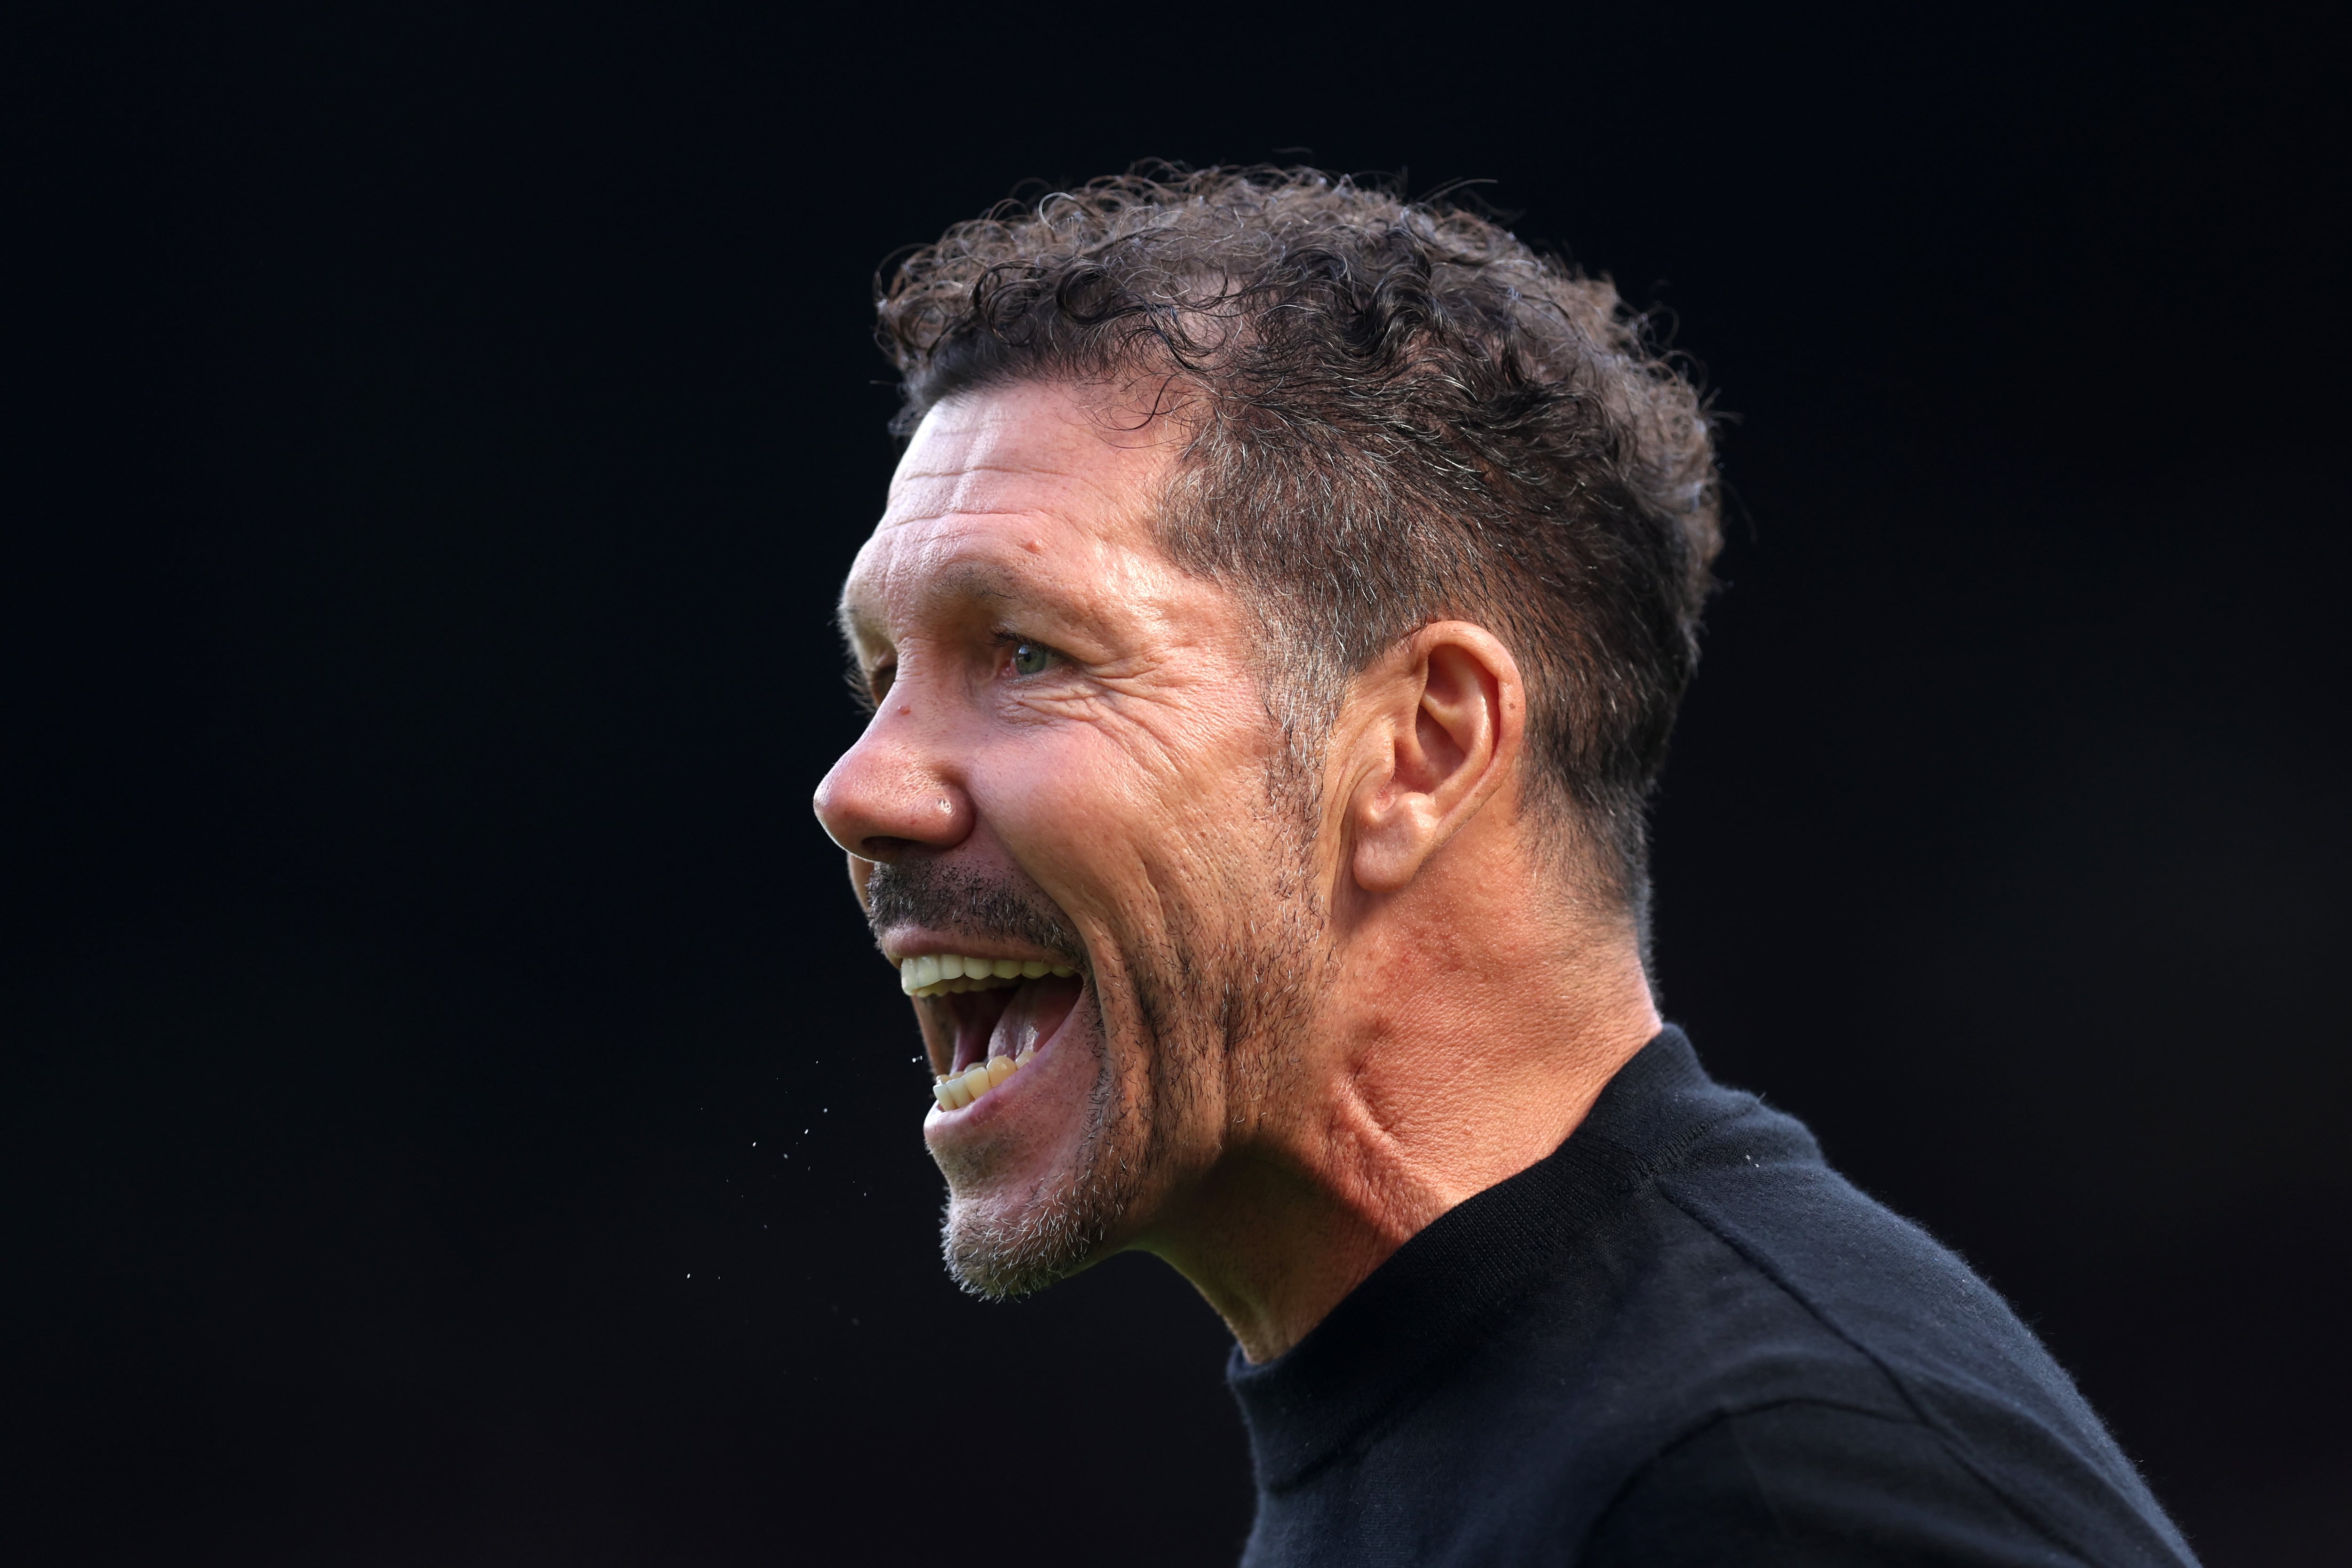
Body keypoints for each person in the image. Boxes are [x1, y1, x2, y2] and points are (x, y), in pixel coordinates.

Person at [813, 167, 2196, 1566]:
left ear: (1418, 750)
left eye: (1028, 653)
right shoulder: (1459, 1421)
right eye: (879, 677)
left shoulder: (1761, 1485)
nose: (858, 788)